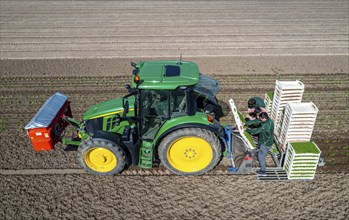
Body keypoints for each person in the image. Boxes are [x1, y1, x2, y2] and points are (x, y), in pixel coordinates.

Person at [245, 112, 274, 176]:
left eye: (261, 119)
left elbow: (255, 131)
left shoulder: (266, 126)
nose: (260, 120)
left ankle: (263, 171)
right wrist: (246, 123)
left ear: (264, 118)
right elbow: (257, 121)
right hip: (263, 140)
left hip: (266, 143)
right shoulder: (267, 120)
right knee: (260, 155)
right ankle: (261, 165)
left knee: (261, 157)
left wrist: (247, 129)